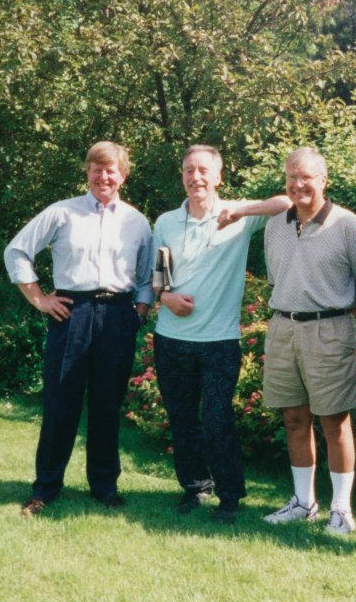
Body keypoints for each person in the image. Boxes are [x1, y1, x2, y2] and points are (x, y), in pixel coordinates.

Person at [6, 141, 153, 518]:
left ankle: (104, 487)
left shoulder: (137, 222)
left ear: (123, 175)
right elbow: (16, 251)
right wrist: (39, 299)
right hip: (71, 313)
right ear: (87, 171)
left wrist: (137, 311)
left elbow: (146, 274)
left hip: (118, 315)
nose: (103, 176)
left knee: (107, 404)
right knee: (60, 403)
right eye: (96, 169)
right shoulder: (62, 213)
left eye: (111, 170)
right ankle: (45, 488)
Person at [152, 145, 291, 524]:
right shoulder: (165, 221)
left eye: (203, 171)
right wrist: (166, 297)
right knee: (181, 419)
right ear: (181, 175)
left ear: (217, 176)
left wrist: (241, 211)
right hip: (171, 338)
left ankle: (230, 496)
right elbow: (157, 275)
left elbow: (286, 202)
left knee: (216, 418)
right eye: (188, 170)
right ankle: (195, 488)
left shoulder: (238, 215)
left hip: (218, 341)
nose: (195, 177)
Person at [259, 147, 356, 535]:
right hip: (283, 328)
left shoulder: (349, 227)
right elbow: (278, 278)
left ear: (324, 180)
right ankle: (303, 503)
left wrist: (335, 315)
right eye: (291, 176)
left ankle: (341, 509)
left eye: (306, 177)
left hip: (331, 329)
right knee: (293, 418)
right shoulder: (276, 225)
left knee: (334, 420)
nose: (297, 184)